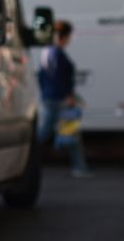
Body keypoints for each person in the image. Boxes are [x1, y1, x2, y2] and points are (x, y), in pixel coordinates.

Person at [36, 21, 92, 178]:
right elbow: (57, 77)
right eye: (69, 36)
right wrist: (67, 95)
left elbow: (43, 76)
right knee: (69, 131)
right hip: (59, 98)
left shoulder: (47, 51)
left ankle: (80, 166)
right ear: (64, 36)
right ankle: (79, 167)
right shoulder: (56, 53)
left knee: (58, 131)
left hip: (51, 97)